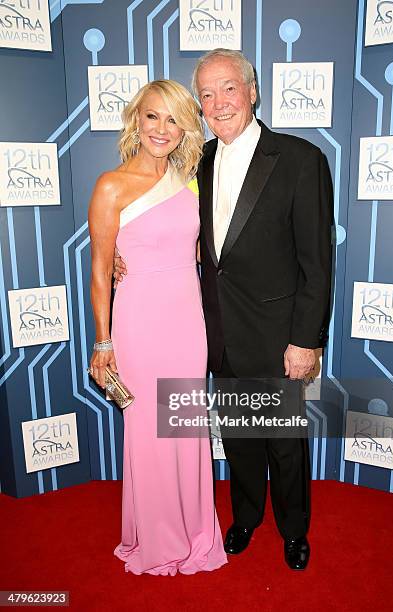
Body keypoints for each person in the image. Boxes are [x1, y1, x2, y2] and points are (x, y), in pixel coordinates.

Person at [115, 50, 333, 571]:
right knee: (238, 438)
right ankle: (245, 518)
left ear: (252, 92)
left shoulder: (301, 160)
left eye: (229, 89)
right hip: (213, 334)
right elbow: (177, 236)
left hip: (279, 337)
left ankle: (294, 529)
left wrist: (306, 341)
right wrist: (123, 255)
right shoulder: (196, 163)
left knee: (284, 444)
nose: (218, 103)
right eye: (206, 94)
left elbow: (317, 263)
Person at [88, 79, 227, 576]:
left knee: (185, 428)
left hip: (187, 321)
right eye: (153, 116)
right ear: (136, 120)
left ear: (184, 127)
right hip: (139, 321)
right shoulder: (111, 185)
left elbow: (197, 252)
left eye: (173, 119)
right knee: (148, 429)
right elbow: (101, 270)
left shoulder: (189, 181)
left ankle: (194, 530)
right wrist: (104, 343)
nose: (162, 129)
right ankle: (156, 536)